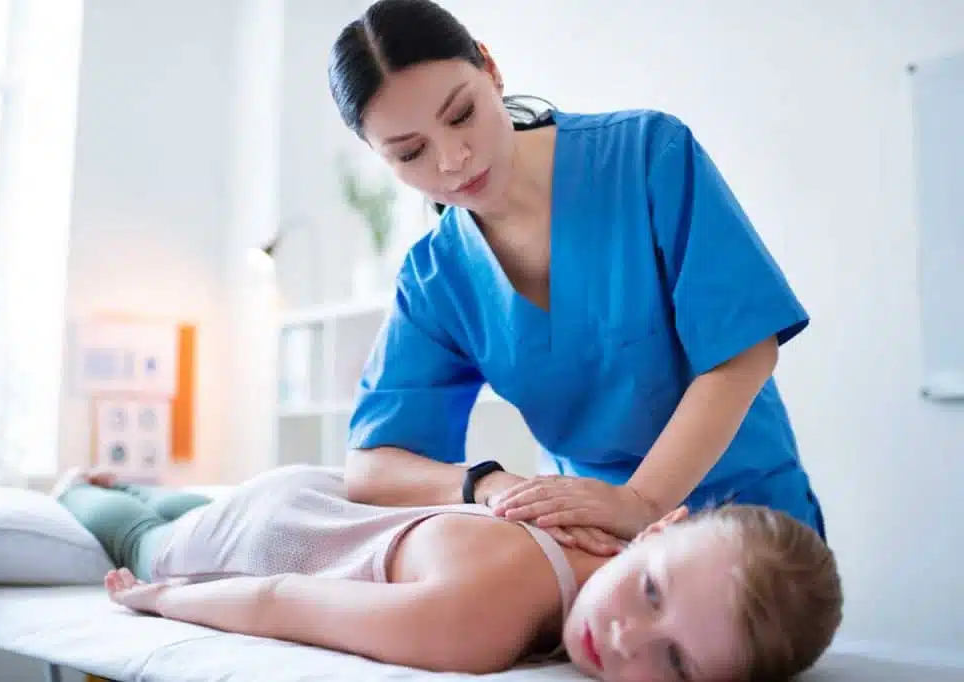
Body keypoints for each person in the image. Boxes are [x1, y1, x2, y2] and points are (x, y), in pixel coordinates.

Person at [327, 0, 827, 555]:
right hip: (591, 545)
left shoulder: (644, 155)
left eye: (462, 113)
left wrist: (640, 503)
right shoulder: (435, 279)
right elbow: (372, 468)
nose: (452, 159)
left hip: (742, 524)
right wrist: (491, 486)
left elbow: (744, 353)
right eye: (411, 152)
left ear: (490, 69)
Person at [51, 464, 842, 681]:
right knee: (139, 534)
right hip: (265, 534)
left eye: (673, 664)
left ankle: (139, 487)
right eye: (651, 591)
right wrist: (164, 600)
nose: (622, 635)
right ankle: (81, 490)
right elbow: (276, 595)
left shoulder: (594, 527)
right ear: (655, 529)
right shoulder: (477, 627)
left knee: (182, 497)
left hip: (331, 493)